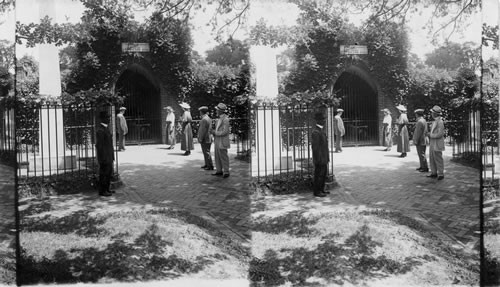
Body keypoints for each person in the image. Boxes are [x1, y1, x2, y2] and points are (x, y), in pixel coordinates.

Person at [96, 111, 114, 196]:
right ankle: (102, 191)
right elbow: (100, 146)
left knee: (108, 173)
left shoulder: (106, 128)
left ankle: (107, 188)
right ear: (103, 119)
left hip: (109, 156)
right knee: (104, 174)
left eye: (109, 117)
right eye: (107, 117)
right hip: (104, 157)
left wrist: (112, 156)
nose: (109, 119)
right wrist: (103, 158)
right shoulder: (100, 130)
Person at [311, 111, 329, 197]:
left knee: (323, 174)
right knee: (319, 175)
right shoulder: (316, 132)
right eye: (323, 119)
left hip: (324, 158)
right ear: (318, 121)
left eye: (324, 119)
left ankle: (321, 189)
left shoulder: (321, 131)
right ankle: (317, 191)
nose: (324, 121)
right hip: (320, 158)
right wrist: (318, 159)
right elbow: (316, 148)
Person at [211, 103, 230, 178]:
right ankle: (219, 170)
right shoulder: (218, 119)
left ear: (220, 111)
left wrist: (215, 132)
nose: (216, 111)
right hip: (217, 139)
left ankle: (226, 171)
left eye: (217, 110)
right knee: (217, 155)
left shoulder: (225, 119)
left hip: (222, 140)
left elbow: (225, 131)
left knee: (223, 156)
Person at [427, 105, 445, 180]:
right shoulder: (435, 121)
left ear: (435, 113)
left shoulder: (440, 122)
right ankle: (433, 172)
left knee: (438, 158)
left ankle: (441, 173)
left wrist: (430, 135)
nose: (431, 114)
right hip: (433, 142)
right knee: (432, 157)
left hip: (437, 142)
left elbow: (440, 134)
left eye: (432, 112)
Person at [198, 106, 214, 170]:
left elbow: (203, 130)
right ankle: (207, 164)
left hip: (205, 138)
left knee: (206, 152)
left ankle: (210, 166)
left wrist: (200, 138)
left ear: (201, 112)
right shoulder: (208, 118)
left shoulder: (204, 119)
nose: (199, 113)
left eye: (200, 111)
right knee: (206, 152)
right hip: (208, 137)